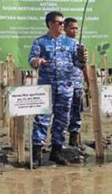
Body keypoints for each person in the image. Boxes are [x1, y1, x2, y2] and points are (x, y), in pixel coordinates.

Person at [29, 11, 86, 166]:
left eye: (63, 23)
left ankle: (56, 151)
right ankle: (36, 153)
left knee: (62, 121)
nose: (62, 25)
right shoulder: (39, 42)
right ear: (50, 24)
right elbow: (31, 60)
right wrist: (37, 61)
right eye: (59, 23)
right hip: (46, 88)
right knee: (42, 120)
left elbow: (78, 65)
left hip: (65, 88)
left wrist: (82, 58)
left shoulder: (71, 43)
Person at [63, 17, 89, 147]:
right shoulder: (60, 43)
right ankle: (59, 142)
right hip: (64, 84)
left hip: (77, 84)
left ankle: (73, 139)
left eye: (76, 28)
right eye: (72, 28)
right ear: (65, 28)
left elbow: (84, 65)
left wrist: (89, 83)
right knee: (62, 113)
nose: (74, 31)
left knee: (76, 112)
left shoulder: (80, 45)